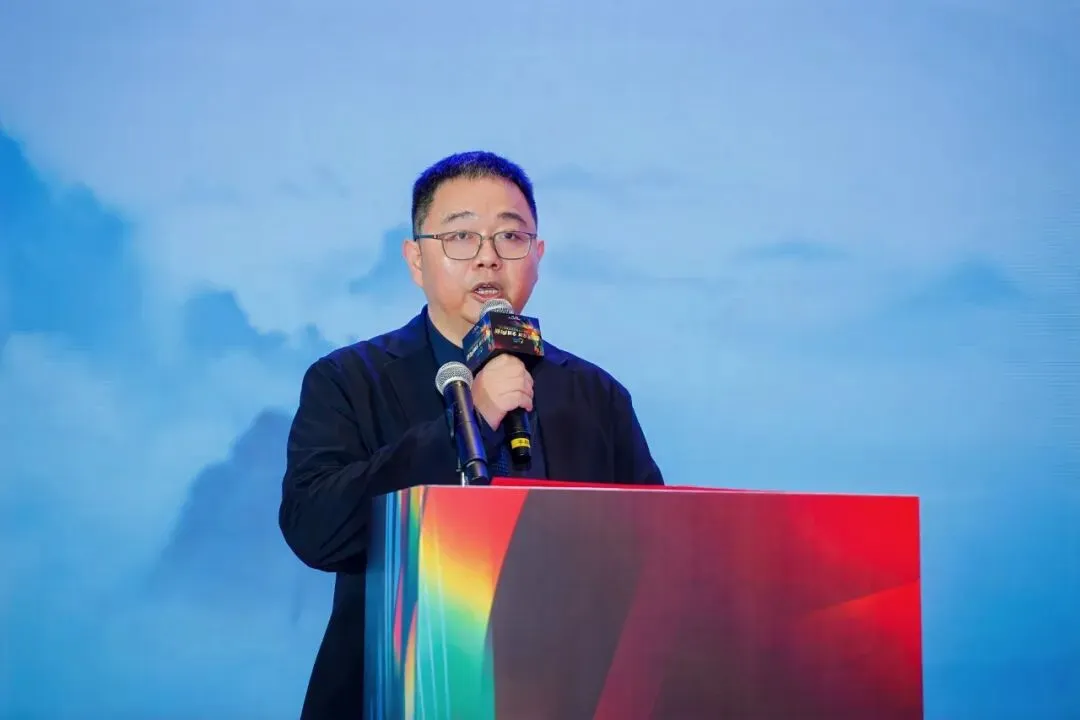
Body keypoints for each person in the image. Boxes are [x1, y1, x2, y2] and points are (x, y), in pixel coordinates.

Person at [278, 150, 665, 719]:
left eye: (510, 237)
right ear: (416, 259)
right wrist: (469, 420)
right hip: (394, 694)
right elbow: (315, 530)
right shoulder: (348, 380)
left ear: (537, 256)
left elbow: (652, 559)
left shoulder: (596, 396)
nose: (488, 257)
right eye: (461, 237)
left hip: (564, 695)